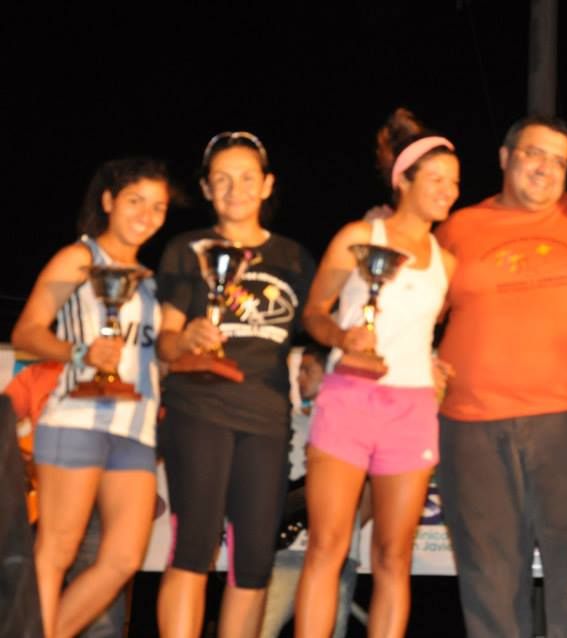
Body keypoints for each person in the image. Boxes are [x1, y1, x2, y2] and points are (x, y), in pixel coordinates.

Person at [434, 114, 567, 637]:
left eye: (558, 160)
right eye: (534, 154)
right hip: (473, 424)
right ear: (506, 158)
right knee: (488, 574)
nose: (545, 168)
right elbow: (410, 308)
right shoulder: (458, 228)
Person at [295, 108, 457, 638]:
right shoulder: (358, 235)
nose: (448, 191)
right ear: (403, 180)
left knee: (394, 555)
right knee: (327, 545)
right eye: (436, 179)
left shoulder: (446, 262)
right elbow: (314, 312)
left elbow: (425, 332)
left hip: (411, 412)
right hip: (349, 400)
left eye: (454, 182)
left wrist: (436, 365)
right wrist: (342, 338)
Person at [155, 131, 315, 638]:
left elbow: (322, 325)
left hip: (266, 420)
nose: (235, 189)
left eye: (247, 178)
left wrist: (319, 359)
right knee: (194, 548)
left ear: (267, 185)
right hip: (198, 410)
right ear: (206, 188)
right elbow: (165, 342)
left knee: (254, 561)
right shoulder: (186, 250)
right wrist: (186, 338)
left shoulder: (294, 258)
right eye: (222, 179)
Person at [10, 157, 171, 637]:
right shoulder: (78, 258)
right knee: (56, 551)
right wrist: (80, 352)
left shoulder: (152, 280)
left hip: (136, 430)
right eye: (135, 201)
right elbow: (27, 331)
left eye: (158, 206)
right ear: (108, 201)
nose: (146, 215)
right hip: (75, 419)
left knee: (123, 559)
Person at [4, 360, 129, 638]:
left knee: (101, 594)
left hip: (100, 493)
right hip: (48, 498)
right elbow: (4, 419)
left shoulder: (120, 369)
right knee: (38, 578)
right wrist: (22, 458)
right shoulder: (39, 372)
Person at [259, 342, 371, 638]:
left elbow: (370, 495)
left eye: (307, 370)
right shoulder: (286, 423)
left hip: (337, 558)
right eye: (299, 371)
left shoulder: (357, 428)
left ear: (331, 372)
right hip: (284, 553)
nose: (299, 378)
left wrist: (341, 529)